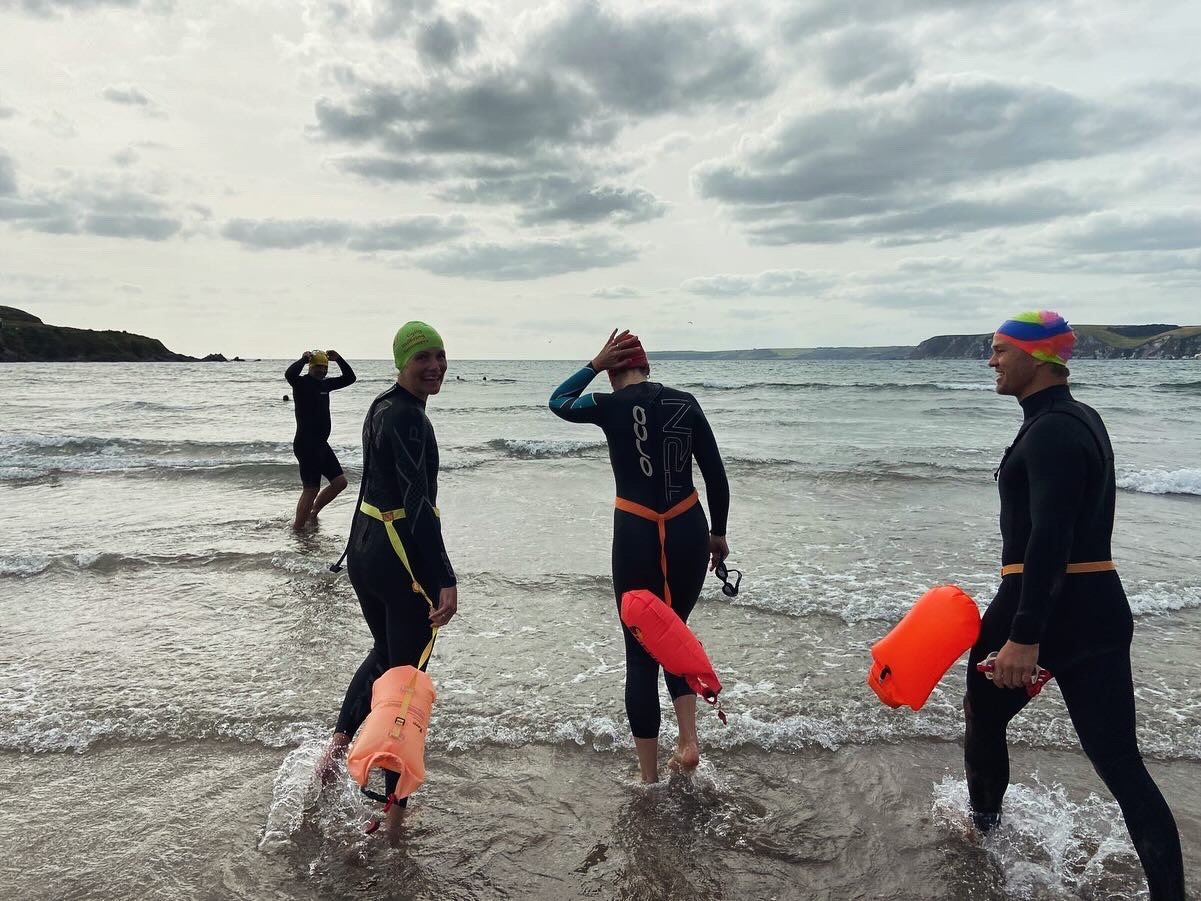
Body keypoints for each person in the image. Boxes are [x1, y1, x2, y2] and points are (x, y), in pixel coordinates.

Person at [965, 311, 1185, 900]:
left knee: (983, 718)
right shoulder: (1079, 418)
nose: (991, 361)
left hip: (1041, 603)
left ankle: (981, 837)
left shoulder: (1053, 429)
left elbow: (1050, 537)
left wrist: (1025, 634)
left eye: (998, 350)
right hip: (1098, 604)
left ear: (1037, 358)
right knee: (1120, 761)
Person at [549, 329, 730, 783]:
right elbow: (715, 473)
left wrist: (591, 364)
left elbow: (559, 401)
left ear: (613, 372)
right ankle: (688, 741)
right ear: (647, 366)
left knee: (640, 652)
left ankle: (648, 779)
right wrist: (719, 534)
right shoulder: (685, 401)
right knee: (675, 633)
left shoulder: (607, 405)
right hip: (688, 524)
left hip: (635, 530)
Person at [319, 322, 458, 834]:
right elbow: (418, 505)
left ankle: (333, 756)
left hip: (367, 550)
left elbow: (373, 486)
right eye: (423, 357)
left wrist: (354, 549)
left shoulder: (381, 405)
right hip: (399, 555)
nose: (435, 366)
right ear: (402, 360)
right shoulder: (408, 418)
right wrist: (444, 576)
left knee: (383, 654)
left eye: (441, 355)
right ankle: (391, 815)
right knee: (406, 684)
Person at [284, 349, 356, 529]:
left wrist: (339, 359)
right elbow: (289, 373)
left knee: (340, 483)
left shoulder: (326, 385)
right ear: (311, 367)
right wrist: (303, 359)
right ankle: (298, 529)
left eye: (325, 368)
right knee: (311, 489)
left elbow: (350, 378)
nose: (322, 371)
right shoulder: (300, 383)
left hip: (321, 445)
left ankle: (313, 512)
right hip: (306, 444)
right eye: (318, 367)